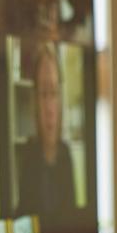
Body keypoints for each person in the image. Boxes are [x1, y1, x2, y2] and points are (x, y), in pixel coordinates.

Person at [14, 41, 75, 216]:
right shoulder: (27, 158)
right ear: (35, 100)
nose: (49, 107)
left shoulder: (66, 155)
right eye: (44, 94)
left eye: (54, 93)